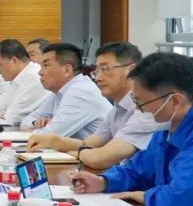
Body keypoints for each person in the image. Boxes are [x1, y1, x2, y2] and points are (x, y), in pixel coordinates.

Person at [70, 52, 193, 206]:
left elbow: (178, 202)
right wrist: (103, 181)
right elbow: (137, 170)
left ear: (175, 101)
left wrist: (144, 196)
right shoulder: (166, 126)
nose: (138, 110)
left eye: (142, 103)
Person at [27, 42, 157, 169]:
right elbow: (88, 143)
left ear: (131, 70)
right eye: (97, 71)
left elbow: (100, 158)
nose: (98, 77)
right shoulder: (118, 108)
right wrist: (53, 141)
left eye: (105, 69)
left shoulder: (146, 109)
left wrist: (75, 153)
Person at [23, 42, 110, 139]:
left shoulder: (81, 91)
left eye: (46, 65)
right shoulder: (59, 92)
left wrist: (44, 127)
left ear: (67, 70)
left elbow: (48, 136)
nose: (40, 72)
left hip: (99, 148)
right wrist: (35, 122)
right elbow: (26, 121)